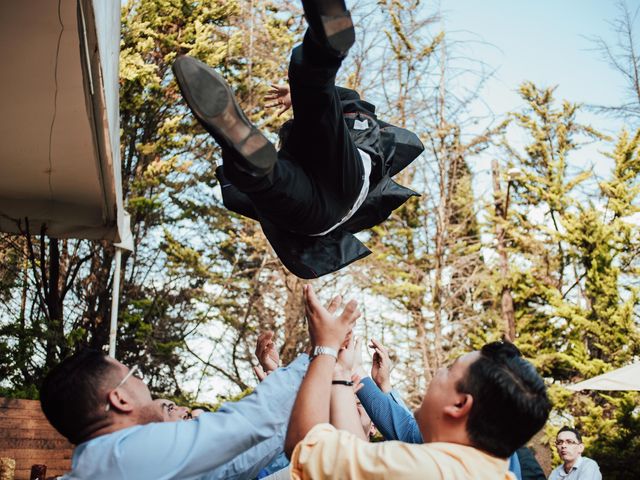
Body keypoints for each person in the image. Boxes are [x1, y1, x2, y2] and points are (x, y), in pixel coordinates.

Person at [172, 0, 423, 279]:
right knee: (269, 179)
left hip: (329, 189)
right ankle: (323, 49)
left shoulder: (316, 137)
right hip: (333, 198)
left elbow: (335, 103)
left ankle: (252, 156)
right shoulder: (323, 137)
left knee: (275, 178)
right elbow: (340, 103)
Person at [284, 284, 552, 479]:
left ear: (460, 404)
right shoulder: (489, 468)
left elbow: (303, 445)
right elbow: (357, 459)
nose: (437, 373)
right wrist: (342, 374)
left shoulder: (430, 470)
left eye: (449, 369)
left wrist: (324, 348)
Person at [39, 347, 309, 479]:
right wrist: (319, 352)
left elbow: (232, 466)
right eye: (134, 375)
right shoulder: (126, 456)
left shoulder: (98, 464)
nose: (143, 383)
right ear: (120, 399)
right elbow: (246, 422)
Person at [352, 338, 523, 478]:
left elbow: (343, 458)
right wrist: (383, 385)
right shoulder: (497, 455)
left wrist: (347, 369)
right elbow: (410, 432)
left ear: (461, 404)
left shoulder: (435, 468)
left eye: (450, 370)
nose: (440, 370)